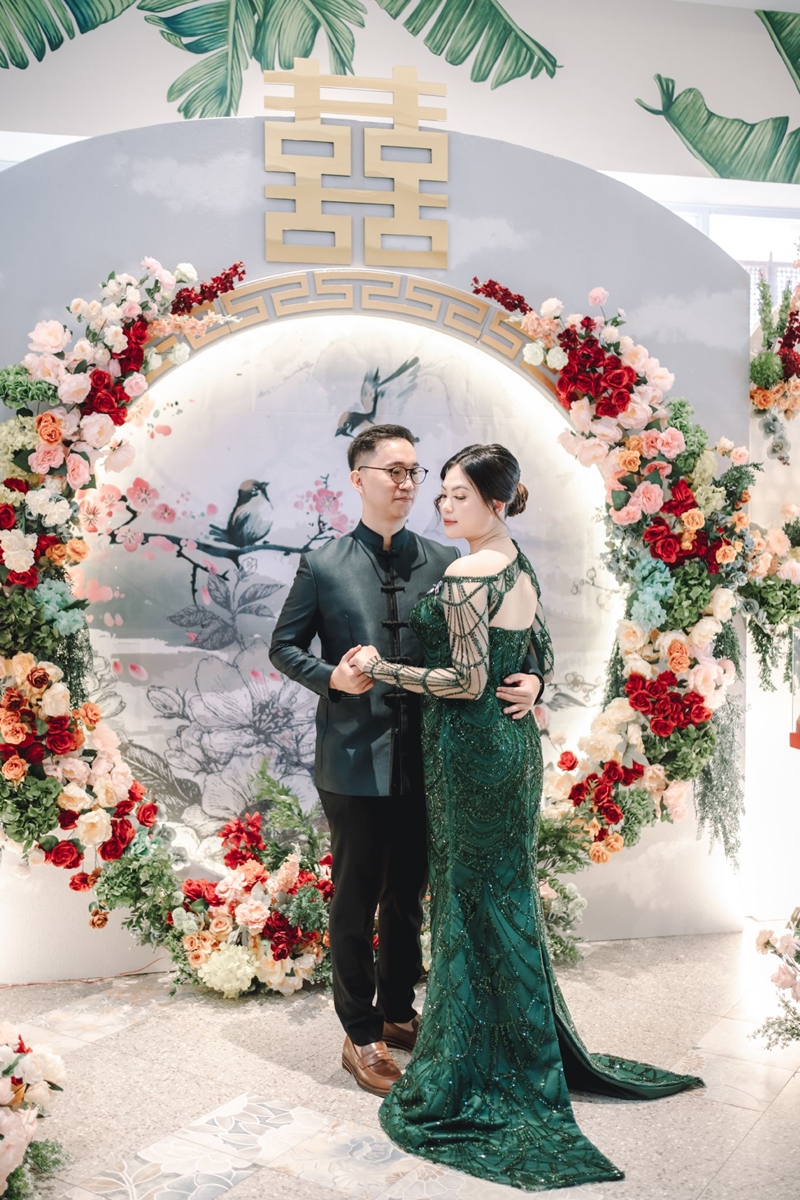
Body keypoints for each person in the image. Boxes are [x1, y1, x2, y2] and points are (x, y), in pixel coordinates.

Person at [351, 443, 704, 1192]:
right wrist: (537, 680)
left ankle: (480, 1059)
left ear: (497, 500)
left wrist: (380, 670)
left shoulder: (468, 572)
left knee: (469, 897)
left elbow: (463, 680)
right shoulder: (514, 560)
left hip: (469, 750)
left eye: (459, 495)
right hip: (509, 750)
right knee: (498, 896)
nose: (445, 505)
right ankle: (519, 1046)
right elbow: (535, 643)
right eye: (443, 493)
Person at [269, 425, 543, 1099]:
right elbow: (284, 646)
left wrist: (535, 678)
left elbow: (514, 629)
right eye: (393, 470)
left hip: (434, 757)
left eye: (414, 471)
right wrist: (332, 677)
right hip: (353, 759)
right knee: (356, 897)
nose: (407, 483)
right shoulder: (323, 562)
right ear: (358, 478)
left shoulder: (448, 557)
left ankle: (397, 1011)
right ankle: (359, 1032)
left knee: (408, 897)